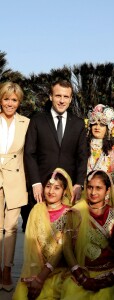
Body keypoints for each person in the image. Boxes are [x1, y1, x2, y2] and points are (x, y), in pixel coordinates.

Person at [24, 79, 88, 207]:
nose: (62, 100)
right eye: (58, 96)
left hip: (68, 190)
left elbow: (82, 155)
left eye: (66, 97)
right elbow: (29, 153)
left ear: (70, 99)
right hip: (41, 189)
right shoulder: (37, 121)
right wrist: (35, 183)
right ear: (51, 96)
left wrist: (79, 183)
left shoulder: (78, 124)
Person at [61, 170, 114, 300]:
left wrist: (111, 277)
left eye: (98, 188)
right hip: (81, 272)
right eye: (90, 187)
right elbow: (66, 247)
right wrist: (81, 277)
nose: (93, 192)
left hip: (107, 274)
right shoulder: (76, 212)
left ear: (107, 190)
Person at [13, 168, 73, 300]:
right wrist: (36, 274)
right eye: (48, 186)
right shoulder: (37, 210)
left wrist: (41, 277)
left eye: (57, 188)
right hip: (38, 268)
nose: (51, 191)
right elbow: (33, 246)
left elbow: (63, 250)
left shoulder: (70, 213)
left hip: (63, 271)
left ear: (64, 191)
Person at [0, 82, 30, 292]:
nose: (10, 103)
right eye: (6, 99)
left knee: (11, 228)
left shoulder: (26, 123)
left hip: (16, 180)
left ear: (19, 102)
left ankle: (7, 270)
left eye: (14, 100)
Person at [87, 104, 114, 174]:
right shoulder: (81, 147)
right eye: (94, 123)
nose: (97, 127)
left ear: (108, 129)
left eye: (102, 124)